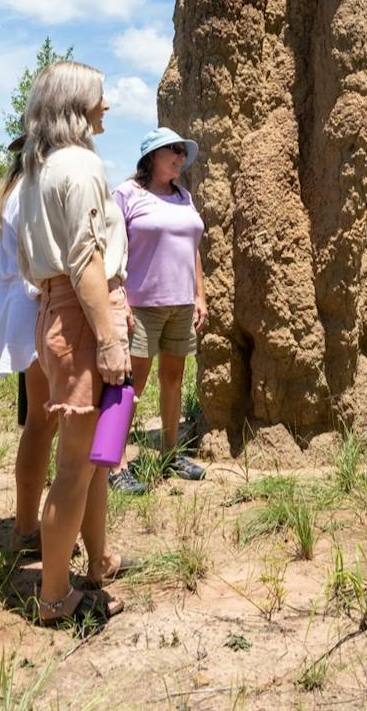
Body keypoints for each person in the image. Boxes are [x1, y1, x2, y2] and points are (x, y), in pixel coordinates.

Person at [13, 60, 131, 627]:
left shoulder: (37, 169)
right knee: (76, 467)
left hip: (57, 309)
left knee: (94, 462)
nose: (106, 105)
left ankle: (97, 562)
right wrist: (107, 337)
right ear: (78, 103)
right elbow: (86, 259)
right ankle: (55, 596)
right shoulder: (81, 165)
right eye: (100, 96)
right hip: (84, 315)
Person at [110, 128, 208, 489]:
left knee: (173, 379)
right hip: (140, 306)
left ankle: (170, 454)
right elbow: (111, 248)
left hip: (180, 304)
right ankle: (113, 463)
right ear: (152, 156)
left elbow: (193, 248)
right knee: (129, 385)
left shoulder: (183, 197)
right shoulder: (127, 194)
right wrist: (118, 298)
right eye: (174, 150)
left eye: (183, 152)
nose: (181, 157)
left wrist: (200, 295)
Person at [0, 136, 55, 551]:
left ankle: (29, 525)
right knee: (42, 423)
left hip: (25, 313)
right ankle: (27, 528)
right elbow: (39, 268)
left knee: (41, 422)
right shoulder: (29, 192)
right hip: (35, 312)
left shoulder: (16, 190)